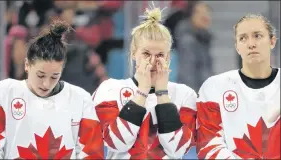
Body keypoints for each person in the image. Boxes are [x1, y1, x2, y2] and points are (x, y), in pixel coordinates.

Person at [0, 20, 104, 159]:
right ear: (27, 65)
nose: (46, 84)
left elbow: (91, 153)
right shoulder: (0, 94)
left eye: (54, 76)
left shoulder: (81, 99)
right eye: (40, 75)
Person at [92, 6, 197, 159]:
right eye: (146, 53)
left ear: (168, 57)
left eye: (160, 55)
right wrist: (142, 91)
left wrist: (162, 95)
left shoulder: (185, 94)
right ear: (134, 53)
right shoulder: (110, 88)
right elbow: (116, 142)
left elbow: (178, 149)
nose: (153, 61)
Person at [196, 14, 280, 159]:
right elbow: (207, 143)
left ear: (272, 41)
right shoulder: (214, 87)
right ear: (237, 47)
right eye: (243, 38)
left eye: (257, 36)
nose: (251, 44)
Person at [175, 1, 213, 92]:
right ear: (191, 15)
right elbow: (187, 74)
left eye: (207, 12)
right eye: (200, 13)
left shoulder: (202, 37)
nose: (205, 16)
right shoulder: (188, 40)